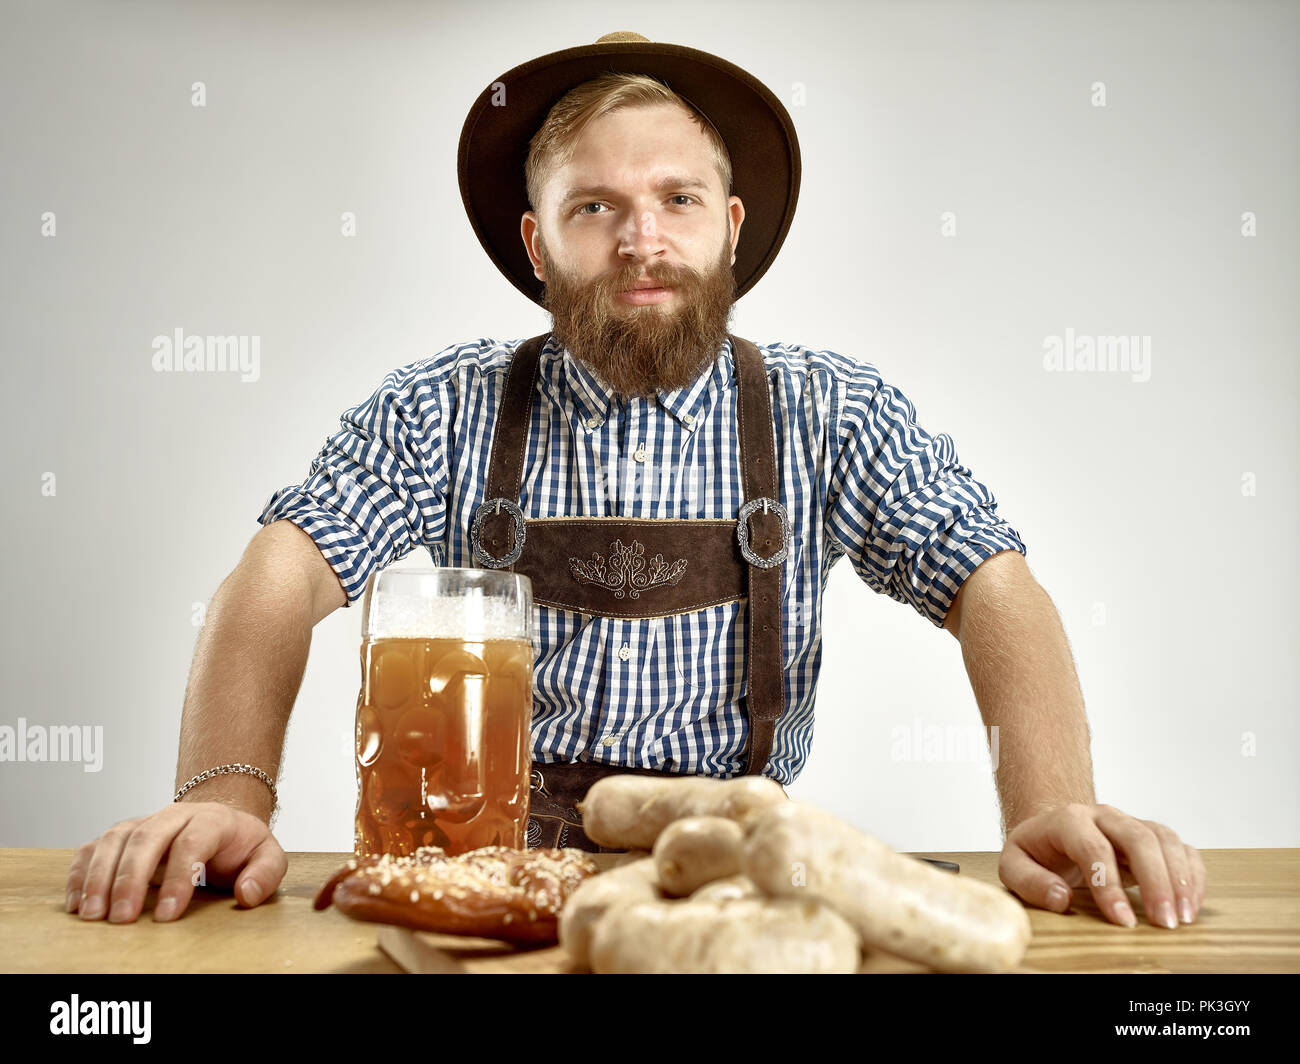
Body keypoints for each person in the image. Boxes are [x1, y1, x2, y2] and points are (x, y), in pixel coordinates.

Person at [66, 32, 1205, 933]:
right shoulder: (444, 408)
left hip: (734, 899)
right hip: (486, 899)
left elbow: (992, 584)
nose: (640, 240)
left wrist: (1048, 808)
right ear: (536, 243)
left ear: (731, 227)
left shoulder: (827, 411)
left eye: (677, 198)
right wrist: (224, 802)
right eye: (594, 206)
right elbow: (276, 573)